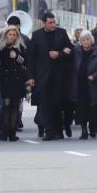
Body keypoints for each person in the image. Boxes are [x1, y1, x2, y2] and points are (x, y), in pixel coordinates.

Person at [27, 13, 73, 141]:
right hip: (43, 75)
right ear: (44, 23)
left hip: (59, 74)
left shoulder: (61, 33)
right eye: (50, 22)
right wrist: (31, 77)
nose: (53, 25)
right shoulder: (36, 35)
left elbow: (70, 48)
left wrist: (59, 54)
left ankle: (59, 130)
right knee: (45, 103)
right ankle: (48, 131)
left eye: (54, 22)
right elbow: (31, 57)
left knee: (58, 103)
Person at [68, 31, 97, 139]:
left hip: (93, 84)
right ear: (80, 42)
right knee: (81, 108)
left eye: (88, 39)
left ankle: (92, 128)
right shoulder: (76, 51)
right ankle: (84, 130)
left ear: (92, 41)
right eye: (83, 40)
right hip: (80, 84)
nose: (86, 42)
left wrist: (96, 75)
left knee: (94, 108)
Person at [0, 26, 27, 141]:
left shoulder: (20, 47)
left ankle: (12, 130)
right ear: (6, 35)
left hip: (17, 78)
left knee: (14, 103)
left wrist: (16, 57)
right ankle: (5, 129)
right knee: (6, 103)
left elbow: (25, 61)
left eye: (14, 35)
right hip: (5, 78)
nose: (12, 37)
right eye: (10, 34)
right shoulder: (0, 47)